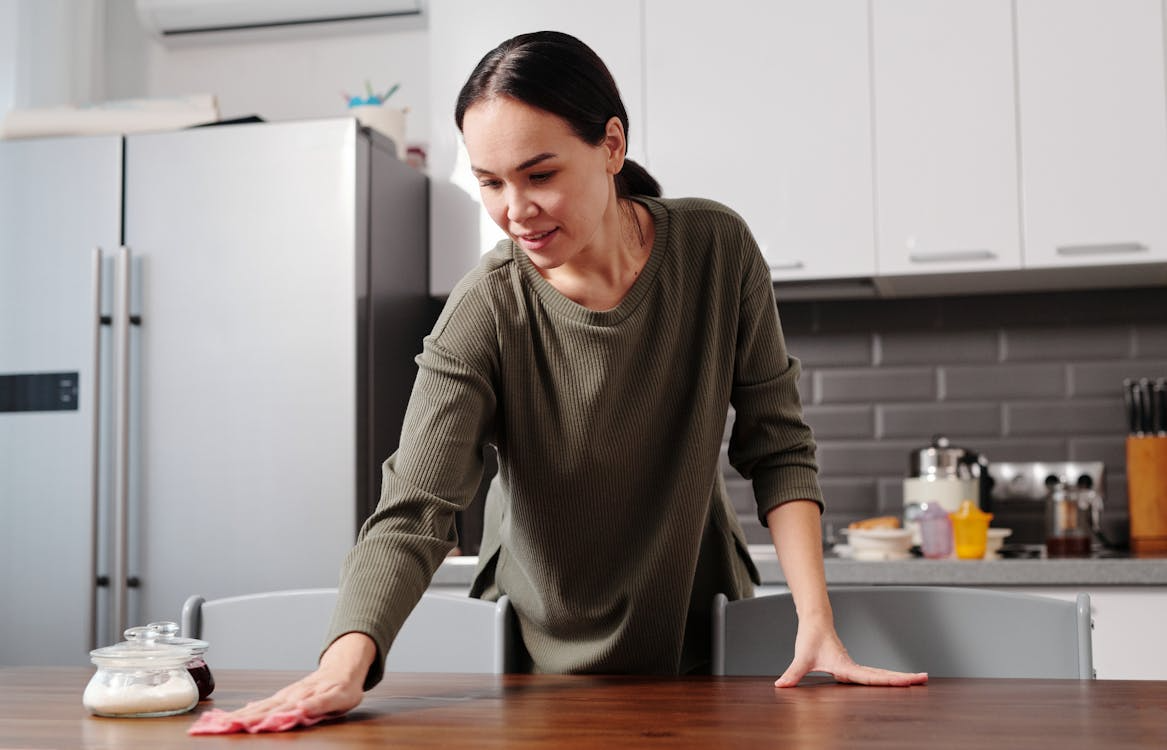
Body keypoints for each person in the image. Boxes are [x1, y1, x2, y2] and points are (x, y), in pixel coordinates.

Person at [215, 29, 927, 732]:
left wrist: (816, 622)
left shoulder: (716, 250)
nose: (514, 210)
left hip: (698, 635)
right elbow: (416, 506)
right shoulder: (487, 305)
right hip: (533, 661)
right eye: (490, 183)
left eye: (540, 174)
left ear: (611, 145)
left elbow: (777, 447)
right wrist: (343, 667)